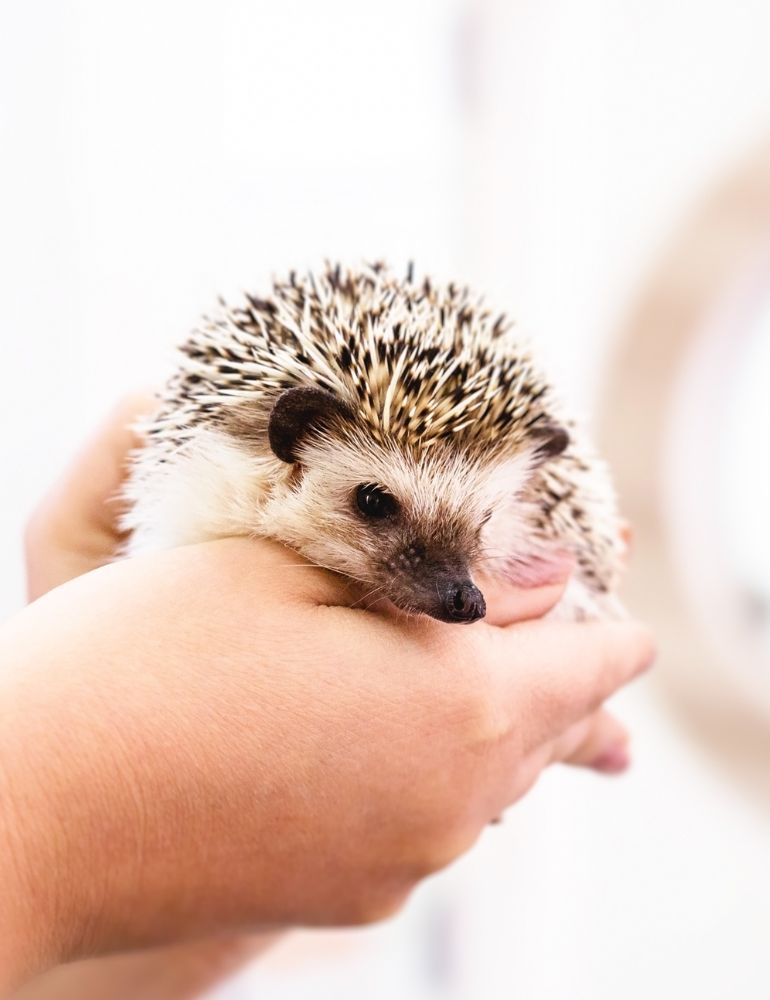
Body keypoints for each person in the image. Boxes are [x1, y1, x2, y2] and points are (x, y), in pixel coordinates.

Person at [0, 398, 655, 997]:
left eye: (478, 521)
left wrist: (229, 880)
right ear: (290, 454)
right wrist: (72, 809)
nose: (455, 590)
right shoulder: (218, 482)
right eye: (375, 503)